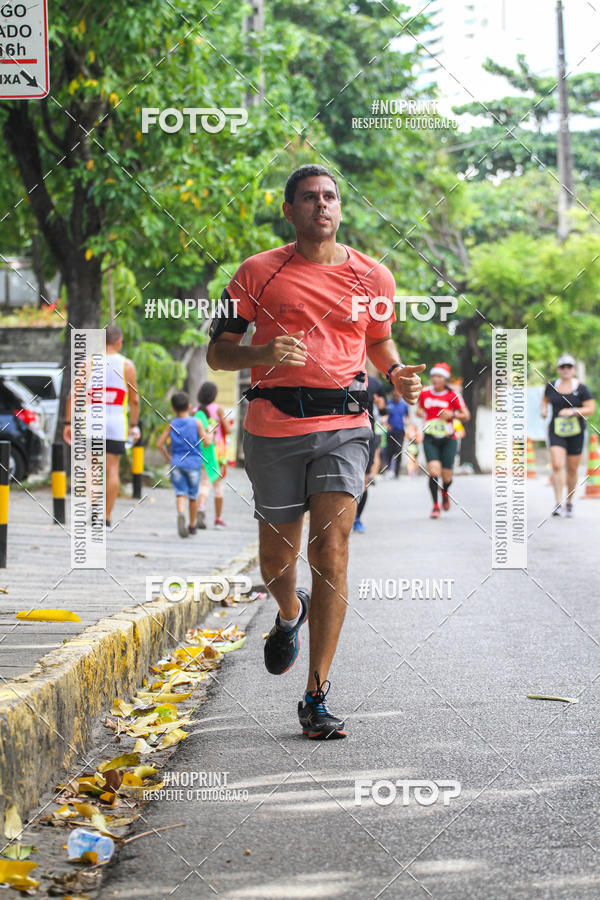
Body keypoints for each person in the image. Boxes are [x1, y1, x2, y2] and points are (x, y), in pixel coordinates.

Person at [207, 163, 424, 739]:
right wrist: (261, 354)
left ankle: (316, 695)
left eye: (330, 197)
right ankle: (288, 612)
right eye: (309, 197)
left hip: (345, 424)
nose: (321, 205)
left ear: (340, 208)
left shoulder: (374, 276)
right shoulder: (256, 272)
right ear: (290, 210)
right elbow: (217, 353)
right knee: (277, 563)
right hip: (274, 426)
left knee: (331, 551)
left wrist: (397, 372)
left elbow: (379, 341)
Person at [63, 325, 140, 529]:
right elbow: (134, 400)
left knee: (92, 467)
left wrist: (68, 423)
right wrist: (134, 425)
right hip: (116, 423)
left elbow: (73, 395)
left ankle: (95, 506)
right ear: (119, 341)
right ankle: (106, 517)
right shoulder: (127, 365)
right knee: (112, 468)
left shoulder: (89, 363)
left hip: (92, 422)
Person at [541, 353, 594, 517]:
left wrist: (573, 411)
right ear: (558, 369)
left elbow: (591, 409)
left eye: (569, 366)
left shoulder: (581, 388)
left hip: (575, 432)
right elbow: (544, 401)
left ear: (573, 369)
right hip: (556, 431)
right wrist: (543, 410)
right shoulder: (551, 386)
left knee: (572, 468)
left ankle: (569, 502)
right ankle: (558, 503)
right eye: (562, 366)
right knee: (557, 465)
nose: (566, 369)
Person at [417, 362, 470, 519]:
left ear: (445, 379)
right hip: (430, 437)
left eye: (439, 376)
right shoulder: (425, 393)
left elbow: (466, 415)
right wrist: (420, 413)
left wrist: (452, 415)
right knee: (433, 471)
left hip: (448, 439)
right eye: (434, 376)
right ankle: (435, 505)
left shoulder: (452, 395)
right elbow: (419, 409)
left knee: (447, 477)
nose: (436, 379)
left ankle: (445, 491)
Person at [156, 391, 212, 537]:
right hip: (193, 463)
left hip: (177, 463)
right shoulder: (196, 422)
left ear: (173, 409)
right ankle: (192, 526)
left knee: (180, 493)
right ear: (189, 406)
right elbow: (206, 442)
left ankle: (181, 513)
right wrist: (210, 433)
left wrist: (168, 458)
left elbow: (159, 444)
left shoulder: (172, 424)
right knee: (193, 496)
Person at [194, 382, 232, 529]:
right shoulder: (218, 409)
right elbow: (228, 430)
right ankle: (218, 519)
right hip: (217, 452)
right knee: (217, 485)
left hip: (202, 449)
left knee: (204, 482)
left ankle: (201, 508)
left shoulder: (196, 411)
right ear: (214, 395)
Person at [353, 369, 387, 533]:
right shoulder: (340, 376)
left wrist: (381, 405)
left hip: (367, 434)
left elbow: (384, 411)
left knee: (364, 480)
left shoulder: (375, 383)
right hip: (341, 432)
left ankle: (357, 518)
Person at [384, 388, 408, 478]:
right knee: (389, 451)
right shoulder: (388, 403)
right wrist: (386, 424)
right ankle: (388, 470)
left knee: (398, 450)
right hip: (390, 432)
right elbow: (384, 415)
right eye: (395, 395)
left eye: (398, 395)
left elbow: (407, 416)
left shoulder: (404, 405)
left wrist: (407, 423)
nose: (396, 397)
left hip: (400, 432)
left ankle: (397, 472)